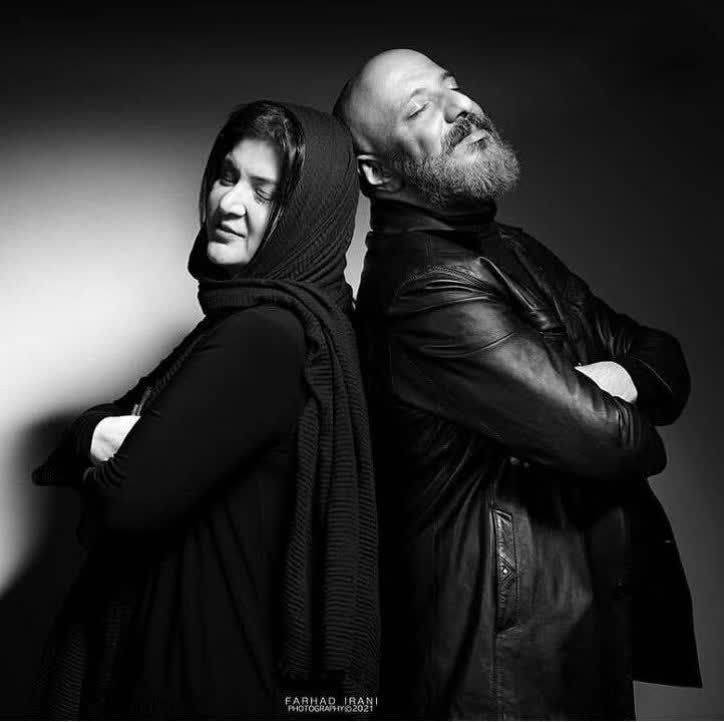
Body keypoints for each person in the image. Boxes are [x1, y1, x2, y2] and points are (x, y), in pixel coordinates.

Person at [333, 49, 700, 719]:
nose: (461, 107)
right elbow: (619, 442)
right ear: (377, 171)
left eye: (452, 86)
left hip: (570, 639)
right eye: (419, 108)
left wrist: (609, 377)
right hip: (498, 672)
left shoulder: (512, 247)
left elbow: (665, 358)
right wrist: (614, 401)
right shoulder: (425, 289)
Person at [30, 100, 379, 719]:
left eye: (265, 193)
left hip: (204, 677)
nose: (230, 203)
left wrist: (99, 436)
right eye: (226, 175)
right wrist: (97, 432)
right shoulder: (281, 324)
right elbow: (115, 434)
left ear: (308, 218)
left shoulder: (263, 336)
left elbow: (120, 505)